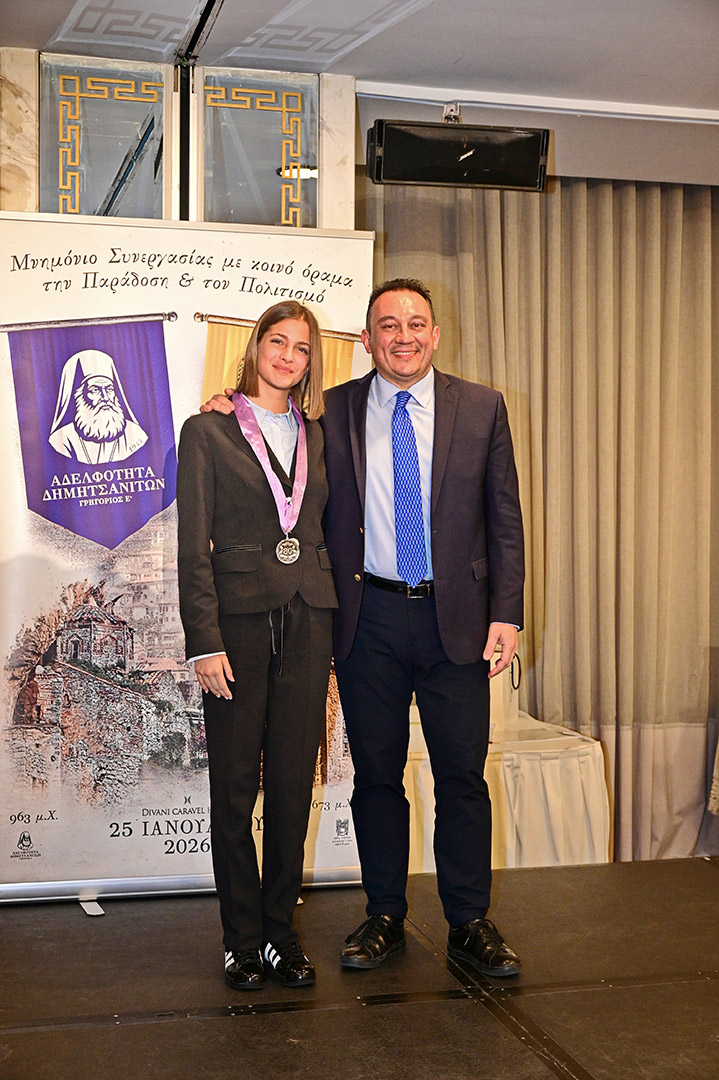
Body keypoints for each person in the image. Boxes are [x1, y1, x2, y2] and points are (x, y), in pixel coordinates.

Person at [204, 278, 525, 977]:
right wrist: (228, 404)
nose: (402, 336)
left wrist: (507, 611)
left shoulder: (482, 408)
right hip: (366, 619)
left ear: (434, 333)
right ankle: (384, 914)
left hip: (457, 620)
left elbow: (504, 515)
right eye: (387, 325)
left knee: (461, 777)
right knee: (376, 776)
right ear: (367, 339)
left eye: (415, 323)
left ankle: (469, 920)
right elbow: (266, 438)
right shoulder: (331, 411)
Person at [178, 300, 337, 992]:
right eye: (277, 341)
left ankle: (280, 935)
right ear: (255, 347)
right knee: (235, 787)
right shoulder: (207, 429)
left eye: (301, 348)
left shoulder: (320, 433)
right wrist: (203, 641)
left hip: (309, 619)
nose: (287, 357)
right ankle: (240, 941)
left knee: (294, 788)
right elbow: (193, 545)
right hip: (237, 626)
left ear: (310, 363)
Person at [49, 349, 148, 464]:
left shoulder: (135, 434)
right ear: (79, 396)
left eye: (109, 389)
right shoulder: (62, 439)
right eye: (95, 390)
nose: (105, 398)